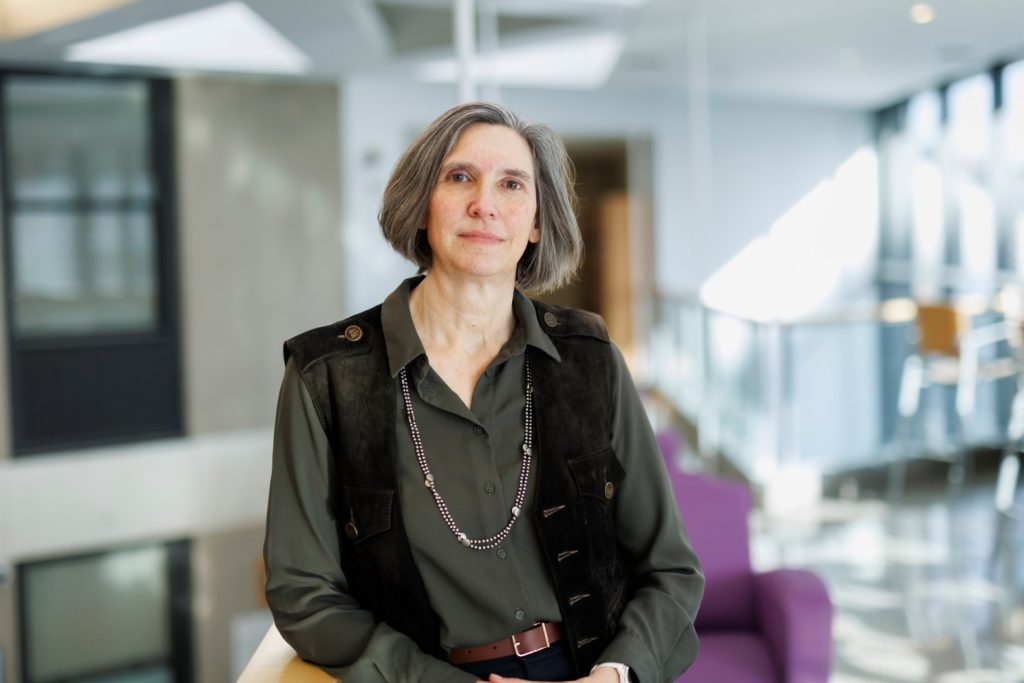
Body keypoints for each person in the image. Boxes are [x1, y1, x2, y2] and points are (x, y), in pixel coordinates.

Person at [264, 102, 703, 683]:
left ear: (537, 222)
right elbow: (304, 593)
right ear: (421, 204)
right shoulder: (324, 375)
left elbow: (671, 570)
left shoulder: (591, 358)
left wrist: (615, 674)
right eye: (459, 177)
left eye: (512, 184)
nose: (484, 204)